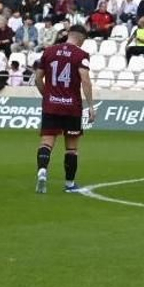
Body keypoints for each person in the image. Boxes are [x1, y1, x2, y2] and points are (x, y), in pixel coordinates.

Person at [33, 25, 97, 194]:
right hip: (71, 107)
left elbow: (38, 78)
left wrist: (46, 95)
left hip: (51, 105)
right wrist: (91, 106)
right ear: (82, 39)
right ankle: (69, 184)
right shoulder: (81, 55)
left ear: (68, 35)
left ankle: (42, 171)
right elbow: (85, 81)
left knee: (46, 142)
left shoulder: (49, 51)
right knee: (71, 148)